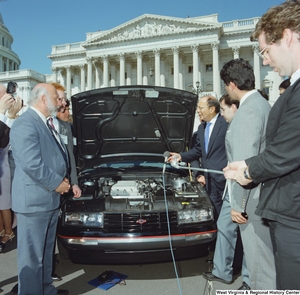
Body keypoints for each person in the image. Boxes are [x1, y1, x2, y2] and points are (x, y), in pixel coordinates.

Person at [224, 1, 300, 290]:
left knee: (271, 277)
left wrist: (244, 171)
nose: (265, 61)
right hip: (284, 206)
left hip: (288, 210)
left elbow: (281, 154)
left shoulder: (254, 108)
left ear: (288, 36)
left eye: (266, 50)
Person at [10, 83, 74, 295]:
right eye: (56, 98)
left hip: (47, 200)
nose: (60, 102)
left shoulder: (45, 123)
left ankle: (46, 290)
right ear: (44, 99)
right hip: (34, 202)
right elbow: (32, 164)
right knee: (32, 260)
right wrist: (57, 183)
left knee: (46, 255)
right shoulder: (25, 124)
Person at [203, 93, 250, 289]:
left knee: (248, 234)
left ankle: (250, 280)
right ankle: (222, 271)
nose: (221, 114)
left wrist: (239, 203)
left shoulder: (244, 127)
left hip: (243, 189)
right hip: (231, 187)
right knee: (224, 225)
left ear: (234, 107)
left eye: (223, 109)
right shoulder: (232, 127)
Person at [168, 95, 228, 219]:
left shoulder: (226, 124)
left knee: (228, 217)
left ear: (212, 109)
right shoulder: (202, 128)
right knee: (215, 214)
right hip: (209, 181)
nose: (197, 111)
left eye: (200, 108)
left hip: (224, 179)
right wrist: (181, 156)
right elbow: (198, 150)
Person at [0, 84, 22, 248]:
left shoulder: (7, 118)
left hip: (4, 167)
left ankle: (8, 230)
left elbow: (5, 140)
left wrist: (11, 115)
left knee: (3, 204)